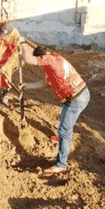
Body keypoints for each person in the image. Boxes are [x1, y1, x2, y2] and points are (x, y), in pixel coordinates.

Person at [20, 41, 90, 174]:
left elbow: (27, 59)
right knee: (65, 123)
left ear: (41, 58)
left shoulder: (50, 62)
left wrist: (22, 43)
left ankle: (61, 165)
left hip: (76, 98)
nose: (40, 65)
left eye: (39, 60)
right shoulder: (55, 57)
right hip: (78, 95)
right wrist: (27, 86)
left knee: (64, 129)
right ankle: (64, 139)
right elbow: (47, 82)